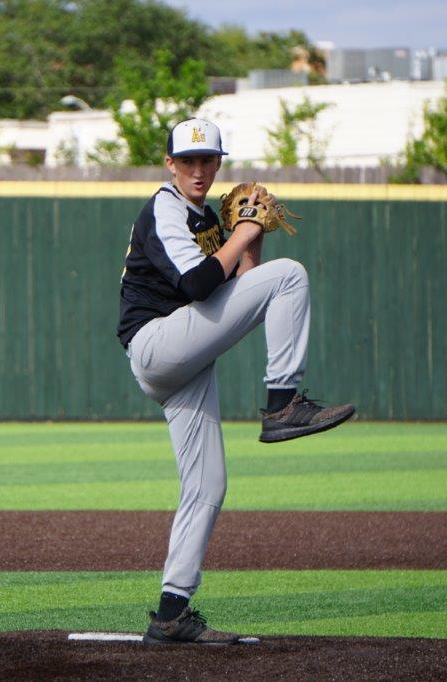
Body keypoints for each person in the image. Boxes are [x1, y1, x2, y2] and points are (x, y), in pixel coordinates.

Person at [117, 118, 355, 645]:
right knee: (292, 275)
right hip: (157, 343)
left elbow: (242, 291)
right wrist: (244, 232)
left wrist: (251, 242)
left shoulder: (205, 218)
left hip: (186, 358)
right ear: (170, 164)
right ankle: (283, 403)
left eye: (208, 160)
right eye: (188, 160)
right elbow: (198, 285)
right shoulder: (165, 208)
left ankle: (171, 613)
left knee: (207, 486)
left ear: (218, 162)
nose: (198, 170)